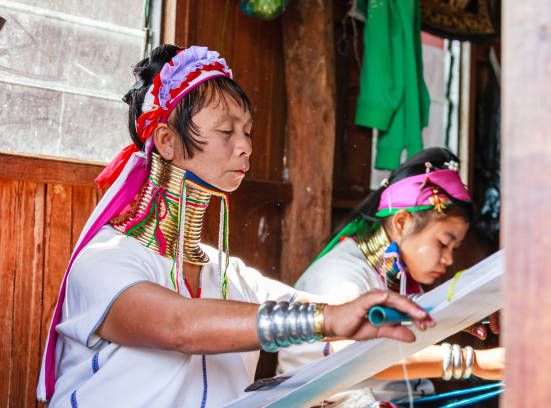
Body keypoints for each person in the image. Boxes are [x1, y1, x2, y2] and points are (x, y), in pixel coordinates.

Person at [36, 44, 434, 408]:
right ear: (166, 140)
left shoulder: (227, 273)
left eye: (247, 131)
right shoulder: (105, 261)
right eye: (226, 131)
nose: (245, 146)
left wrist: (447, 310)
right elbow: (180, 327)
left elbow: (329, 313)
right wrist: (327, 320)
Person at [277, 147, 504, 404]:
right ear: (401, 222)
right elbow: (351, 358)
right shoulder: (340, 277)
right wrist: (472, 362)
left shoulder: (390, 275)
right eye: (443, 243)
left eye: (454, 248)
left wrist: (467, 311)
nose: (449, 259)